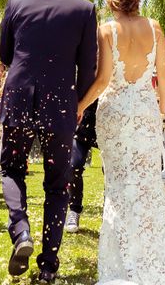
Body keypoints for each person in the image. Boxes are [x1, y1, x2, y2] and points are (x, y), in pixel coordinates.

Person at [77, 0, 165, 285]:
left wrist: (80, 105)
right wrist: (159, 112)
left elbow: (103, 81)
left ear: (111, 1)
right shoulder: (154, 28)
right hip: (144, 113)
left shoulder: (106, 30)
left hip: (115, 113)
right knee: (148, 187)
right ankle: (153, 259)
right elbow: (164, 76)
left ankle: (125, 261)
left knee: (118, 187)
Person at [0, 0, 97, 283]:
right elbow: (88, 65)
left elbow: (5, 54)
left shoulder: (17, 0)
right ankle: (48, 266)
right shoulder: (84, 8)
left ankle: (21, 232)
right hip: (60, 103)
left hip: (19, 96)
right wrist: (79, 102)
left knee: (12, 169)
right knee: (58, 183)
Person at [64, 99, 98, 234]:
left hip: (108, 120)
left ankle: (110, 213)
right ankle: (74, 210)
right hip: (83, 122)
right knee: (73, 166)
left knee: (109, 170)